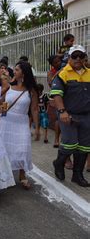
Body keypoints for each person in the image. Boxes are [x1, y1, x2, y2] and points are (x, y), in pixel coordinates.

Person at [50, 45, 90, 187]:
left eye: (81, 55)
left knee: (85, 147)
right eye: (75, 56)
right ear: (69, 58)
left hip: (86, 116)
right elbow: (56, 94)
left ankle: (77, 175)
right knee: (70, 144)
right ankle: (58, 163)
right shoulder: (63, 74)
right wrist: (62, 111)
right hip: (69, 115)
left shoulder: (89, 73)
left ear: (85, 57)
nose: (78, 58)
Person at [0, 61, 39, 190]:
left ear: (23, 72)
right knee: (5, 149)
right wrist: (0, 110)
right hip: (6, 121)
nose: (13, 72)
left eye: (16, 70)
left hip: (22, 122)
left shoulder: (31, 90)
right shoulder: (9, 87)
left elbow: (34, 109)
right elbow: (0, 101)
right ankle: (5, 174)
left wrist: (37, 128)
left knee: (22, 149)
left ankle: (22, 174)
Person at [47, 55, 63, 148]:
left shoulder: (65, 69)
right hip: (56, 97)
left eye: (59, 61)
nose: (58, 63)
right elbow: (51, 84)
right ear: (52, 64)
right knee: (58, 119)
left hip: (66, 96)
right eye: (56, 62)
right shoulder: (51, 73)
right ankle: (56, 139)